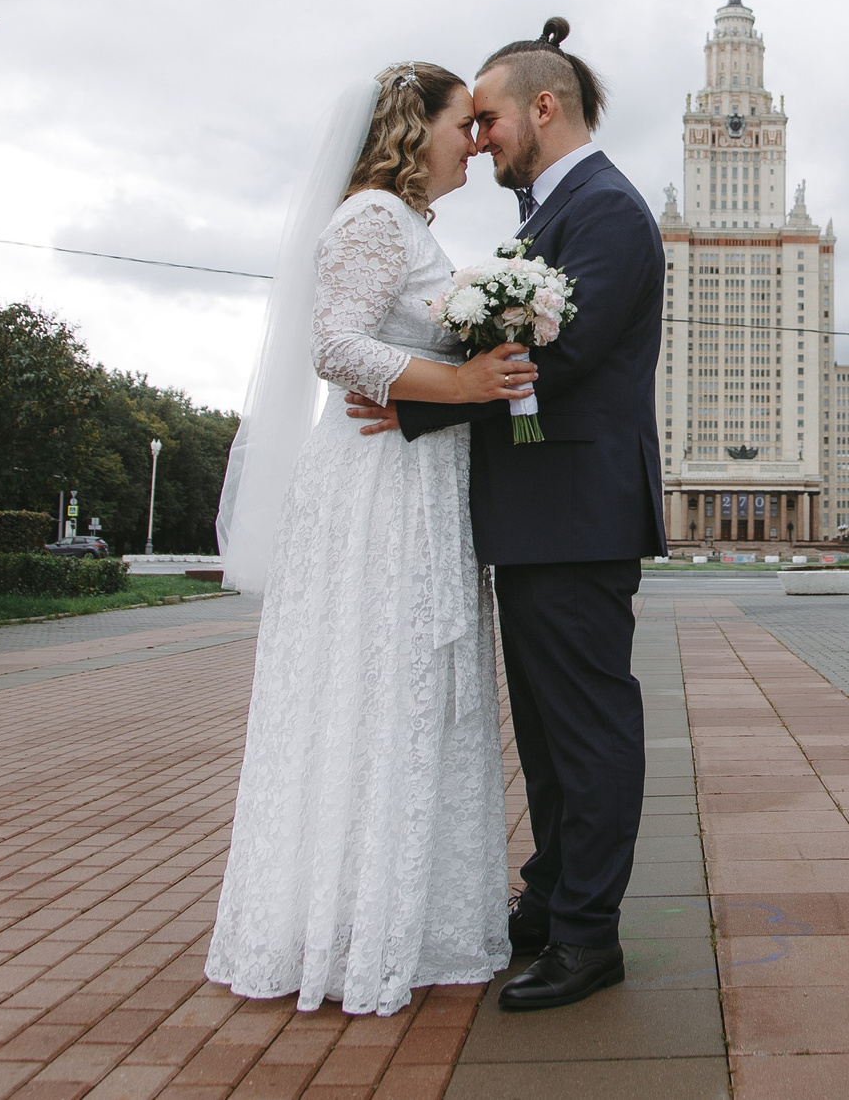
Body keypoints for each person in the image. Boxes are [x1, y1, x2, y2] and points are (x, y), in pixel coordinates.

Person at [204, 62, 538, 1017]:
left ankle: (412, 918)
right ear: (414, 126)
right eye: (462, 123)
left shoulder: (411, 225)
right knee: (377, 683)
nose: (476, 140)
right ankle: (349, 926)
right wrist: (464, 387)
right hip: (376, 490)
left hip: (420, 483)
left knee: (416, 690)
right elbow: (336, 344)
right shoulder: (372, 219)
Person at [347, 17, 666, 1013]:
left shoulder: (606, 211)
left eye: (486, 118)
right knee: (545, 733)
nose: (475, 138)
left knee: (586, 728)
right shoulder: (545, 219)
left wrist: (413, 399)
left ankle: (587, 937)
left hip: (576, 512)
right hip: (537, 514)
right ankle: (550, 899)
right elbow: (515, 354)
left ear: (543, 106)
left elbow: (550, 362)